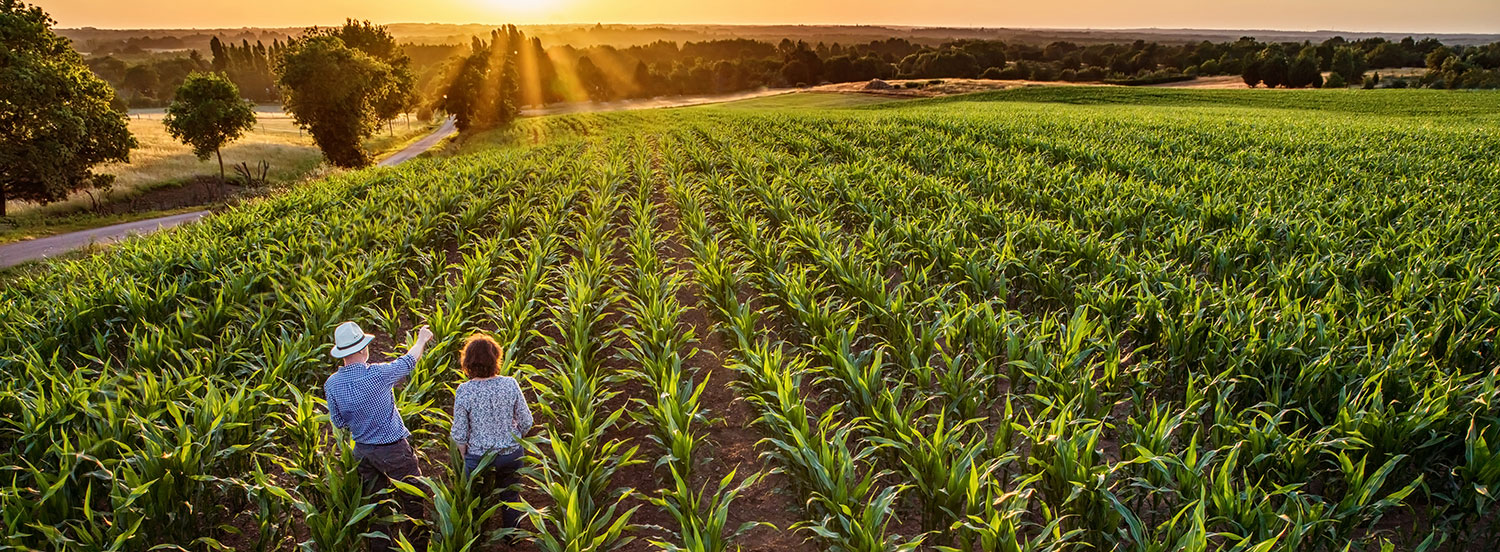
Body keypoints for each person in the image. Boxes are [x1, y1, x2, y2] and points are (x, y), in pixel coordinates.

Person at [325, 320, 433, 552]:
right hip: (393, 449)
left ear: (341, 354)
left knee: (375, 507)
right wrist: (422, 340)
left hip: (362, 452)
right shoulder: (377, 374)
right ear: (363, 349)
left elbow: (339, 422)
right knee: (412, 497)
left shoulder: (332, 384)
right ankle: (419, 545)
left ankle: (380, 547)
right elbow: (408, 361)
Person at [450, 334, 534, 534]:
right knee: (511, 496)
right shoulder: (510, 384)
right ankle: (511, 537)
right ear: (496, 359)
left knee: (475, 501)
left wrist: (464, 457)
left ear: (467, 362)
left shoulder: (465, 391)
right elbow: (527, 421)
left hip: (479, 458)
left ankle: (477, 538)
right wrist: (512, 437)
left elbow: (460, 433)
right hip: (510, 454)